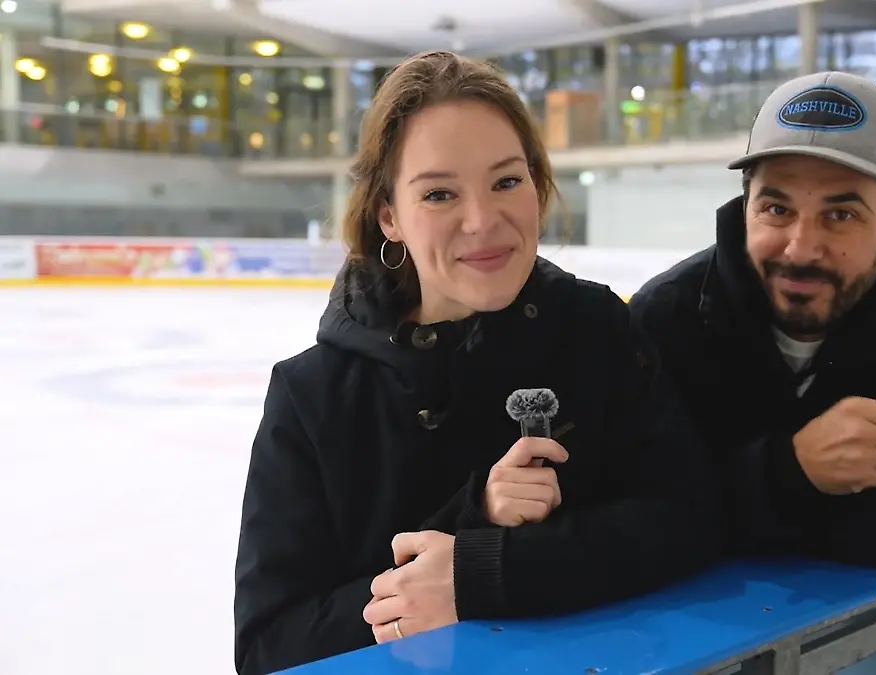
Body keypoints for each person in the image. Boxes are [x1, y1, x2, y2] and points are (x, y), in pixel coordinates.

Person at [232, 51, 716, 675]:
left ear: (538, 185)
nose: (483, 221)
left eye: (507, 181)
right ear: (389, 216)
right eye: (438, 194)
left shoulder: (597, 330)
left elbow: (689, 518)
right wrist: (464, 532)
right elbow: (269, 645)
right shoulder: (314, 396)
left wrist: (485, 570)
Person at [629, 71, 876, 577]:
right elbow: (635, 524)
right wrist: (793, 470)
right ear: (747, 204)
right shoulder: (668, 315)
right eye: (776, 208)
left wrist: (725, 499)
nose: (801, 249)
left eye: (841, 215)